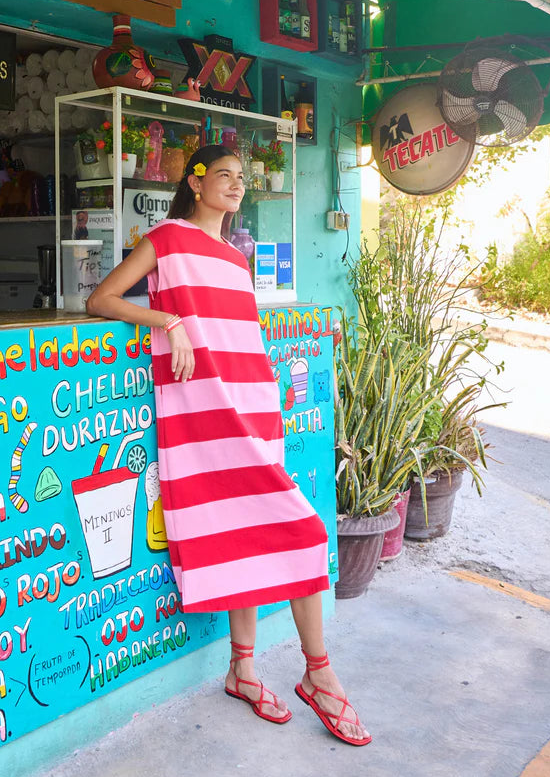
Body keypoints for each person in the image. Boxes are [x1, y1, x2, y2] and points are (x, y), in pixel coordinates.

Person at [86, 143, 370, 745]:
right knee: (305, 533)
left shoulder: (238, 258)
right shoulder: (167, 239)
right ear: (195, 183)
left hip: (256, 410)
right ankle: (320, 675)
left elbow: (242, 338)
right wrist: (168, 322)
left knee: (251, 533)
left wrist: (267, 404)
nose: (237, 185)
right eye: (224, 175)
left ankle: (243, 668)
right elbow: (101, 299)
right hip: (206, 414)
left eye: (242, 177)